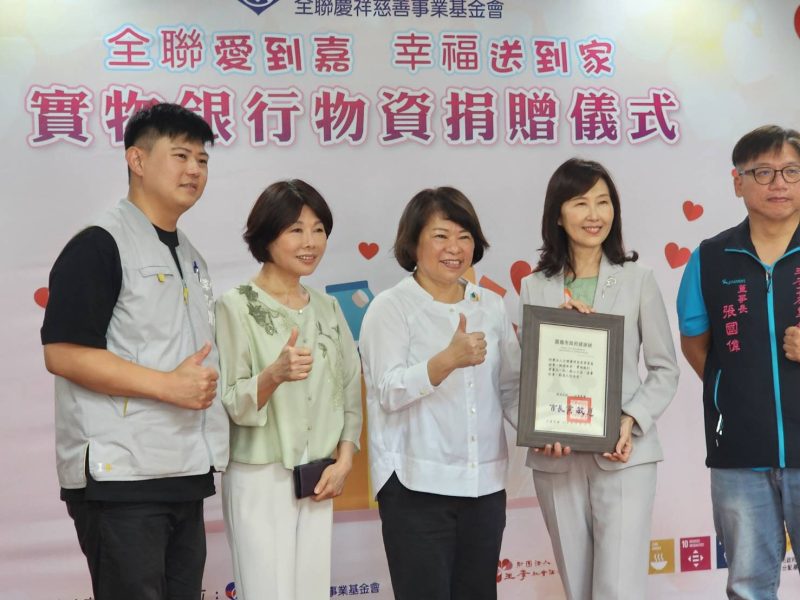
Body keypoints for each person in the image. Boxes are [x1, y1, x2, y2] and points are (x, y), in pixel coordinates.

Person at [40, 102, 230, 600]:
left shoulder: (189, 254)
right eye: (181, 155)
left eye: (202, 160)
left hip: (183, 470)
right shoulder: (99, 244)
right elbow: (63, 353)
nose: (194, 170)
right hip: (121, 478)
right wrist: (169, 386)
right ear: (137, 160)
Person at [520, 158, 679, 600]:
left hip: (624, 454)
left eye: (603, 202)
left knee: (619, 588)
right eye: (580, 202)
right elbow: (519, 376)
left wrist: (631, 419)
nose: (594, 215)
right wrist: (539, 430)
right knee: (577, 586)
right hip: (557, 458)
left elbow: (665, 368)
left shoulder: (638, 280)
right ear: (557, 214)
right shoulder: (535, 286)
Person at [360, 187, 520, 600]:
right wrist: (445, 361)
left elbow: (511, 387)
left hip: (484, 486)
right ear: (413, 242)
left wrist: (552, 429)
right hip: (416, 488)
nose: (455, 248)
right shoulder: (390, 307)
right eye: (441, 236)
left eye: (464, 237)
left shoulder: (491, 306)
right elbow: (388, 391)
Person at [214, 179, 362, 600]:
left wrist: (345, 459)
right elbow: (231, 400)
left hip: (319, 476)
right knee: (267, 590)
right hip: (261, 476)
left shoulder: (328, 307)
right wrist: (274, 374)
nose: (310, 242)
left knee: (312, 590)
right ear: (266, 235)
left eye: (319, 230)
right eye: (296, 230)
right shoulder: (236, 305)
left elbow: (350, 389)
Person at [677, 125, 800, 600]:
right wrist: (735, 392)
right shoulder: (710, 257)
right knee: (747, 587)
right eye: (763, 172)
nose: (779, 183)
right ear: (738, 182)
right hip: (738, 456)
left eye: (791, 171)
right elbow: (696, 345)